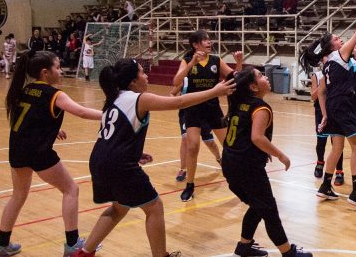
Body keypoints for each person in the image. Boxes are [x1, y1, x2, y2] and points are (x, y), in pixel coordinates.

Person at [73, 60, 234, 257]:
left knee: (119, 207)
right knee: (155, 207)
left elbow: (115, 133)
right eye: (142, 72)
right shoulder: (140, 98)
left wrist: (133, 152)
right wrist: (214, 91)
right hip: (118, 163)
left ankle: (85, 252)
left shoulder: (113, 98)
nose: (146, 76)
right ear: (133, 81)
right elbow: (179, 102)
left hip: (100, 159)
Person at [0, 50, 103, 257]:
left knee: (18, 196)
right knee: (71, 189)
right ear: (46, 72)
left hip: (17, 149)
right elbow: (81, 112)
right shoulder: (55, 94)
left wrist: (52, 128)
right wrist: (112, 114)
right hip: (38, 152)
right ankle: (72, 245)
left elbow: (31, 118)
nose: (61, 71)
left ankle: (1, 245)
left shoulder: (25, 89)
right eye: (58, 67)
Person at [300, 0, 356, 210]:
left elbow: (323, 91)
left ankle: (325, 186)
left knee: (336, 148)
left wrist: (325, 115)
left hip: (335, 106)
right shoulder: (341, 54)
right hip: (344, 105)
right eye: (336, 38)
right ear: (332, 46)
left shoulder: (326, 64)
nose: (340, 38)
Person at [221, 68, 313, 257]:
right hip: (247, 167)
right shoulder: (260, 107)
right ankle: (288, 253)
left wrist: (263, 151)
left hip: (230, 163)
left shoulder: (238, 101)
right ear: (254, 87)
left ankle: (244, 246)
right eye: (261, 76)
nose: (266, 77)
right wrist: (280, 155)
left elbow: (245, 135)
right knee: (269, 209)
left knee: (258, 205)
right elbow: (257, 137)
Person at [171, 30, 243, 202]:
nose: (209, 42)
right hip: (192, 109)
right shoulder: (187, 61)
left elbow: (235, 78)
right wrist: (192, 63)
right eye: (205, 40)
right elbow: (176, 82)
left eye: (210, 40)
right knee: (192, 146)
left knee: (229, 145)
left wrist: (239, 62)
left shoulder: (216, 60)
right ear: (195, 45)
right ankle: (190, 185)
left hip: (212, 109)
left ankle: (239, 180)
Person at [171, 80, 221, 183]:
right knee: (185, 138)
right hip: (187, 113)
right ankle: (183, 169)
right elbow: (172, 93)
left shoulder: (205, 79)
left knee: (210, 142)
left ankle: (219, 159)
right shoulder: (184, 80)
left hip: (204, 114)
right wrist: (176, 102)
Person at [311, 59, 344, 182]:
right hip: (320, 110)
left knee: (337, 142)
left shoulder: (337, 71)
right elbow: (313, 96)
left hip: (335, 108)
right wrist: (322, 84)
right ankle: (320, 162)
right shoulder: (316, 75)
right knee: (321, 139)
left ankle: (339, 170)